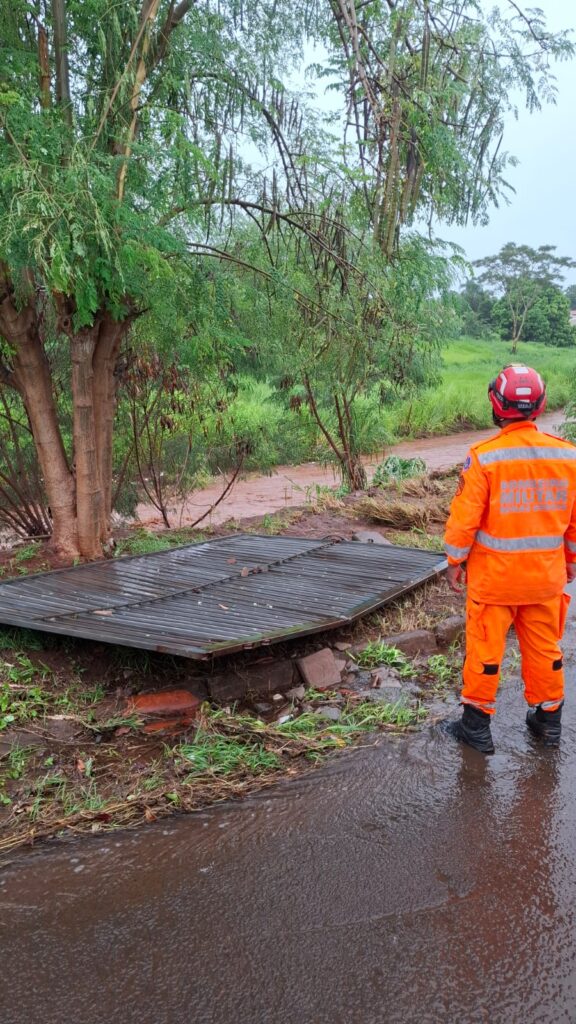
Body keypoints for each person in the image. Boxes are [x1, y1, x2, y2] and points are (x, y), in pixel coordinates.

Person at [443, 364, 576, 754]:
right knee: (545, 649)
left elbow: (464, 521)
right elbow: (573, 522)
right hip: (544, 580)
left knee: (485, 650)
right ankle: (549, 723)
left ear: (495, 404)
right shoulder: (568, 457)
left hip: (494, 582)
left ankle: (476, 728)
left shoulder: (484, 458)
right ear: (541, 405)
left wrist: (454, 561)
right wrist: (570, 560)